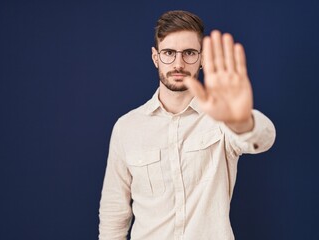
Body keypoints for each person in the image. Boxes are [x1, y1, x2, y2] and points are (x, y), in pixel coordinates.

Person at [98, 10, 276, 240]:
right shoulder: (127, 127)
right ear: (155, 58)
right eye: (169, 53)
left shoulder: (221, 117)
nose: (179, 63)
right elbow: (114, 212)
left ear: (202, 58)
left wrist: (241, 122)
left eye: (190, 53)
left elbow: (264, 138)